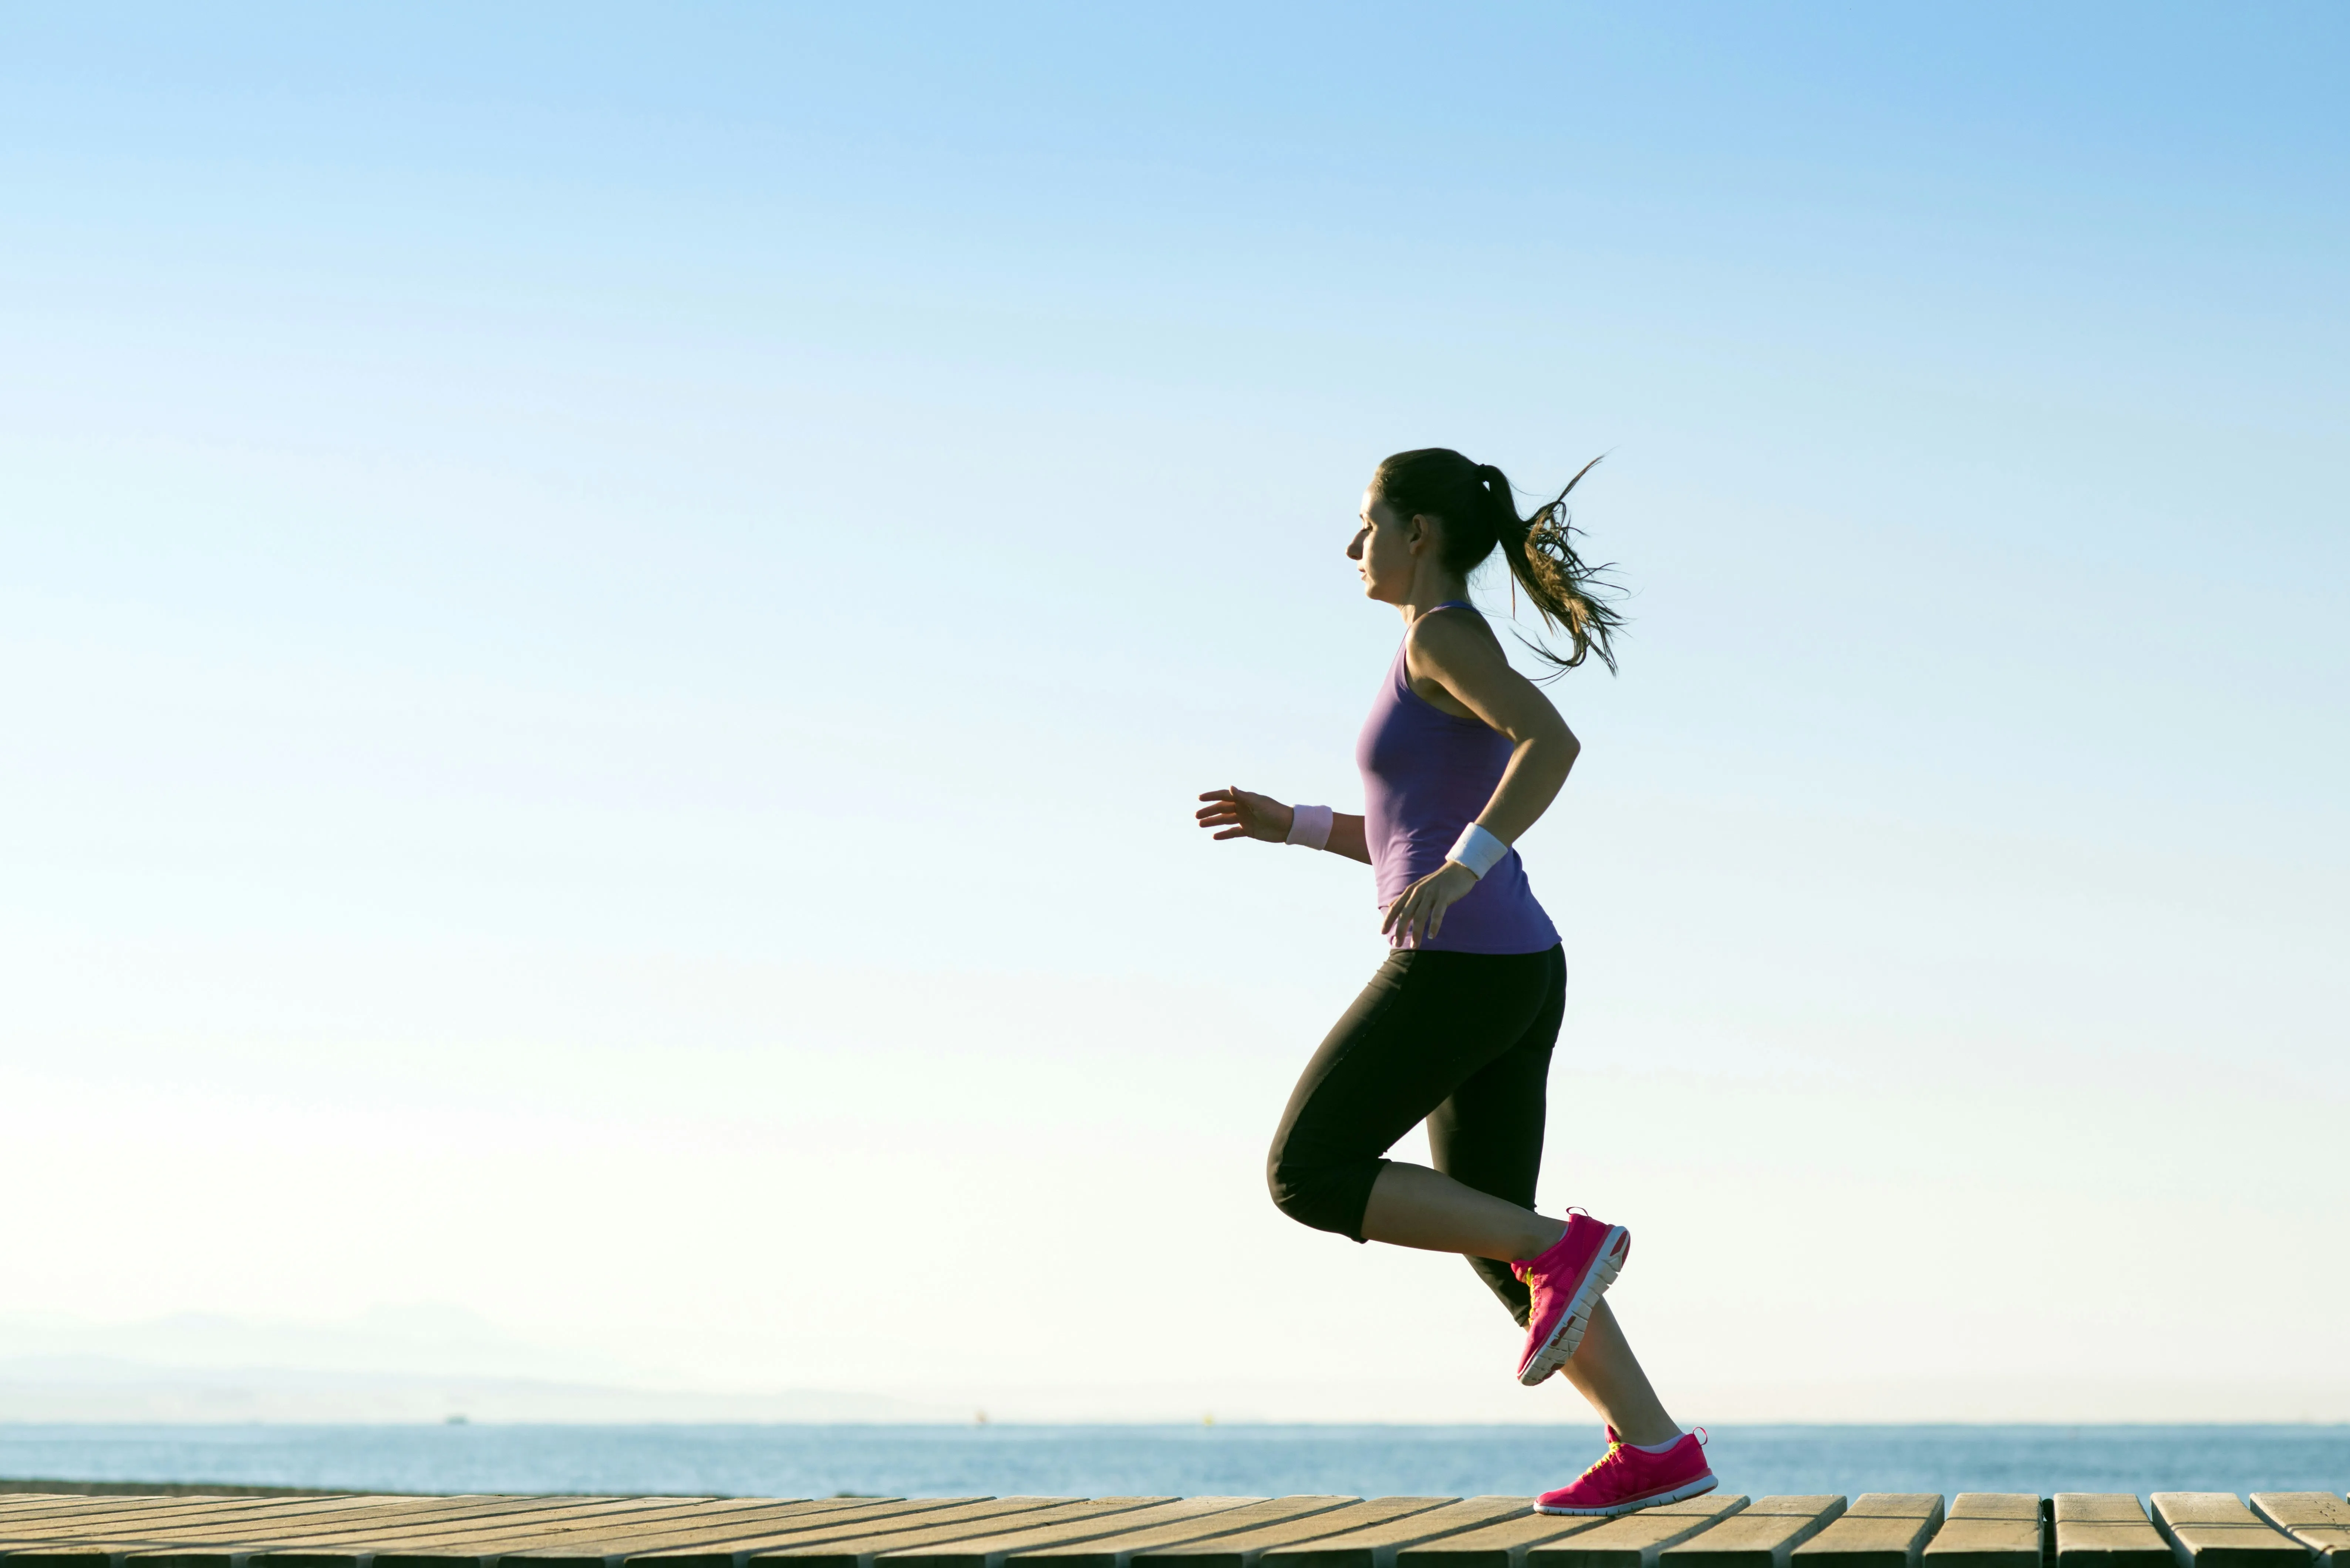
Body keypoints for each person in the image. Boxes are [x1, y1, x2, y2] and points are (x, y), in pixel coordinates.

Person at [1195, 448, 1713, 1517]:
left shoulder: (1441, 636)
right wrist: (1286, 824)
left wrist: (1460, 871)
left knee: (1311, 1169)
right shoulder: (1424, 648)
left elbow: (1552, 742)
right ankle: (1656, 1446)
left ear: (1417, 531)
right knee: (1490, 1231)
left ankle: (1567, 1246)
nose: (1353, 548)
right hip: (1506, 960)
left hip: (1466, 962)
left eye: (1366, 525)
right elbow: (1401, 838)